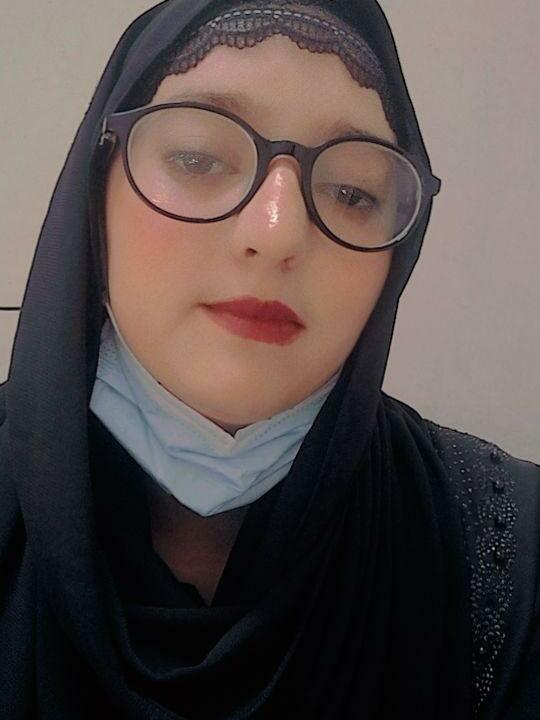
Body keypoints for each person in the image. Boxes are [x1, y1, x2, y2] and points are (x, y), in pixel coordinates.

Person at [0, 1, 538, 718]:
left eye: (351, 192)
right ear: (96, 190)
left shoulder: (509, 553)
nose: (279, 232)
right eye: (198, 157)